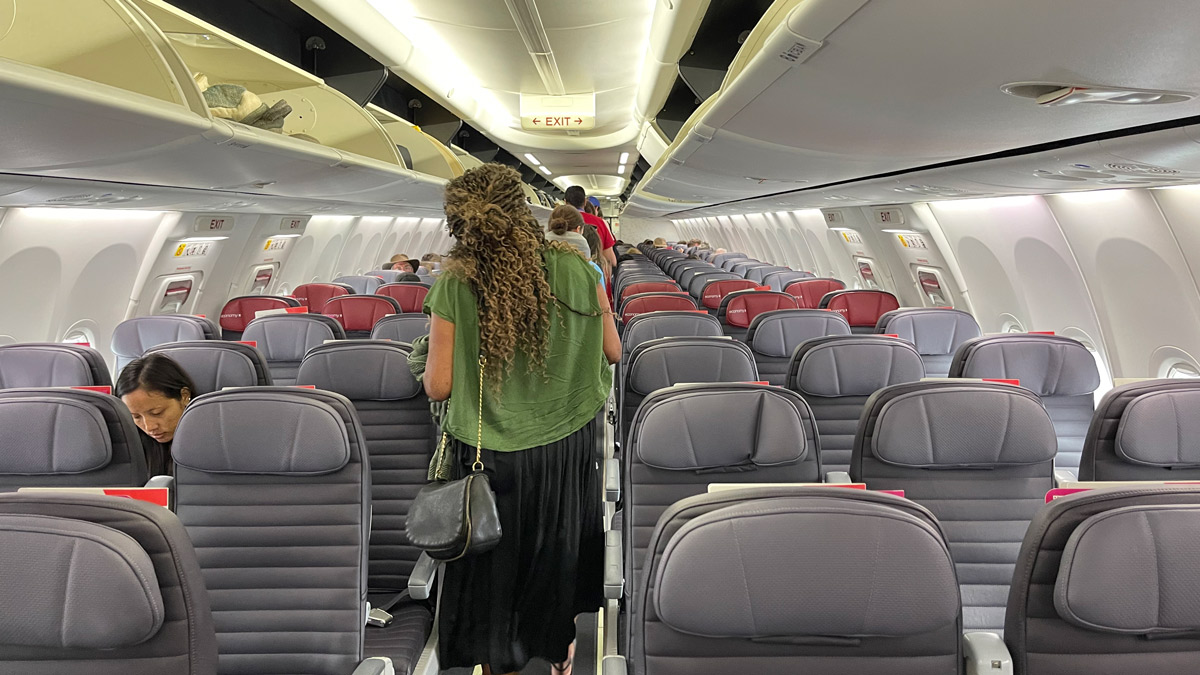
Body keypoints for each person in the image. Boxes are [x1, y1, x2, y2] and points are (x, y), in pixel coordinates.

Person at [423, 163, 620, 675]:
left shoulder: (453, 286)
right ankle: (557, 653)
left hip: (491, 455)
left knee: (495, 569)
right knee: (554, 555)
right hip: (567, 446)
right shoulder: (579, 268)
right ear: (521, 213)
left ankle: (499, 665)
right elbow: (614, 351)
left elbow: (439, 385)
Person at [116, 352, 197, 477]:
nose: (149, 427)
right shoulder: (128, 445)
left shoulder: (209, 438)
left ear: (184, 396)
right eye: (136, 417)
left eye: (157, 413)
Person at [564, 186, 616, 278]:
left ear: (565, 202)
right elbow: (610, 260)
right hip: (598, 280)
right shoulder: (600, 223)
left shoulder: (559, 223)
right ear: (585, 202)